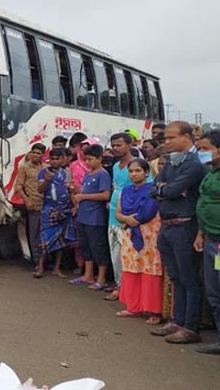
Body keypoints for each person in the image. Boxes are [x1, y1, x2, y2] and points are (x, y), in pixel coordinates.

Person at [150, 121, 208, 343]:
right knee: (175, 277)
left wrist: (166, 189)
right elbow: (154, 188)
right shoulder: (172, 162)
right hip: (167, 225)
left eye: (171, 138)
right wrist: (166, 190)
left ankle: (190, 326)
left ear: (186, 137)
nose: (166, 142)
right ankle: (177, 319)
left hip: (185, 226)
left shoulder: (194, 164)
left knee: (189, 278)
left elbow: (170, 189)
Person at [115, 159, 163, 324]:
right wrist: (127, 219)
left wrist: (132, 220)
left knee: (150, 269)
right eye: (131, 171)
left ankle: (153, 310)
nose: (134, 174)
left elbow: (148, 212)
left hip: (150, 235)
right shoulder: (125, 191)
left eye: (138, 171)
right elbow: (118, 213)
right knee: (132, 267)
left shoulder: (153, 190)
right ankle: (133, 307)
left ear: (146, 172)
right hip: (130, 234)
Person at [194, 130, 220, 355]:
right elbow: (205, 203)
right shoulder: (210, 173)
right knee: (214, 293)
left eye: (204, 149)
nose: (201, 153)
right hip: (210, 239)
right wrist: (201, 233)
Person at [70, 144, 112, 290]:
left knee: (98, 247)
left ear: (99, 158)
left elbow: (105, 195)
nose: (88, 162)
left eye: (90, 159)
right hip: (83, 216)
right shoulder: (88, 174)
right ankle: (87, 275)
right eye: (86, 159)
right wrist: (76, 189)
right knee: (86, 247)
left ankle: (101, 278)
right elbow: (85, 190)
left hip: (95, 218)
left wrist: (83, 196)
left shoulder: (103, 174)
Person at [107, 133, 138, 301]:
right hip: (113, 214)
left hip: (128, 216)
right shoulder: (115, 166)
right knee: (115, 253)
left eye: (119, 145)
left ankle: (127, 289)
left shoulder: (137, 165)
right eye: (113, 145)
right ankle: (119, 285)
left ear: (129, 145)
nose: (115, 148)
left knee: (127, 254)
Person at [37, 149, 75, 277]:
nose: (54, 161)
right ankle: (40, 268)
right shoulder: (44, 172)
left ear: (63, 159)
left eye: (57, 158)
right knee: (44, 239)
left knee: (61, 240)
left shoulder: (67, 173)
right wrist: (47, 180)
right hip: (49, 209)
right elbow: (40, 190)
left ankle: (57, 268)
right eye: (52, 158)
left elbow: (70, 190)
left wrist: (74, 204)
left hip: (64, 209)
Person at [15, 143, 46, 276]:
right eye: (33, 152)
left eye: (38, 153)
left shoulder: (46, 168)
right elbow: (18, 187)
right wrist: (26, 200)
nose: (35, 155)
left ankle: (45, 262)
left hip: (47, 205)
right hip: (33, 205)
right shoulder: (24, 168)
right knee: (34, 235)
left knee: (44, 235)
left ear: (42, 155)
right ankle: (36, 263)